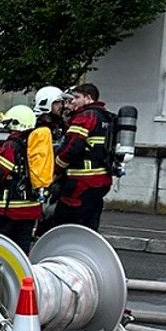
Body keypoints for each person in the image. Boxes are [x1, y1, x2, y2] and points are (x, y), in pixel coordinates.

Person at [51, 82, 114, 231]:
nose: (72, 101)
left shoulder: (86, 116)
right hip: (102, 180)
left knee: (64, 223)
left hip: (81, 182)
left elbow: (71, 147)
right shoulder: (105, 117)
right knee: (89, 225)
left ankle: (63, 251)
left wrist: (55, 169)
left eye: (77, 97)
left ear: (88, 98)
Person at [0, 105, 41, 253]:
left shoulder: (11, 146)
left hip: (8, 210)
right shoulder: (36, 145)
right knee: (20, 252)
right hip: (31, 209)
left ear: (16, 123)